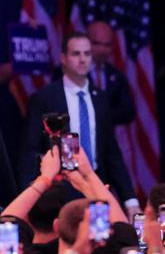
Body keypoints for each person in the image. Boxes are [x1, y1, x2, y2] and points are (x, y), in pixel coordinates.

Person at [20, 32, 136, 211]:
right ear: (64, 58)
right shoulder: (45, 98)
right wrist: (27, 197)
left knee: (99, 238)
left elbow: (111, 153)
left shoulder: (101, 99)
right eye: (76, 54)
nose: (83, 60)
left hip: (97, 185)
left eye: (87, 54)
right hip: (60, 189)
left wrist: (130, 201)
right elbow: (30, 150)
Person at [86, 21, 136, 127]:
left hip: (106, 139)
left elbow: (128, 112)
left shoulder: (117, 76)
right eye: (96, 43)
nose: (102, 50)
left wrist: (101, 115)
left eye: (107, 45)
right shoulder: (71, 73)